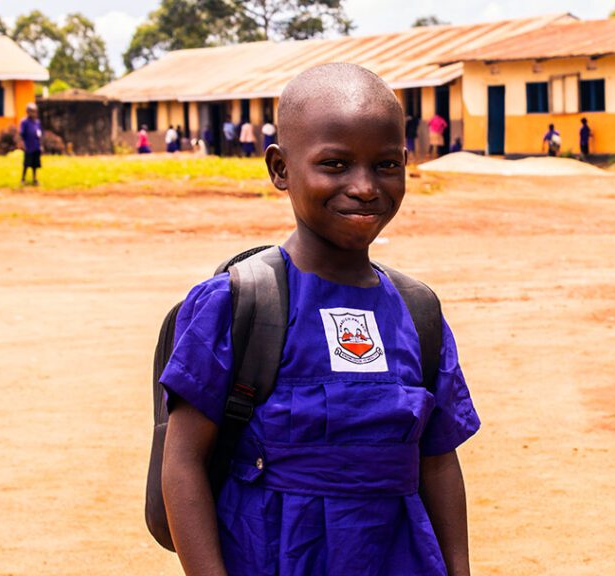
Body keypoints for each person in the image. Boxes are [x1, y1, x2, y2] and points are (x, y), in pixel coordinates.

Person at [160, 62, 479, 576]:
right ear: (281, 169)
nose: (365, 187)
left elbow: (438, 461)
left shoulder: (418, 311)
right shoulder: (238, 304)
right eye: (335, 164)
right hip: (269, 556)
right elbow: (182, 463)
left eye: (386, 165)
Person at [19, 102, 42, 185]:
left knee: (35, 164)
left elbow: (39, 134)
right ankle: (23, 178)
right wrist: (22, 144)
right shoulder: (24, 122)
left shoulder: (37, 122)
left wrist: (41, 145)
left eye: (34, 111)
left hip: (36, 146)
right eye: (31, 111)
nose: (33, 113)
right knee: (26, 163)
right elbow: (22, 134)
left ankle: (35, 179)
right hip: (28, 146)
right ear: (28, 112)